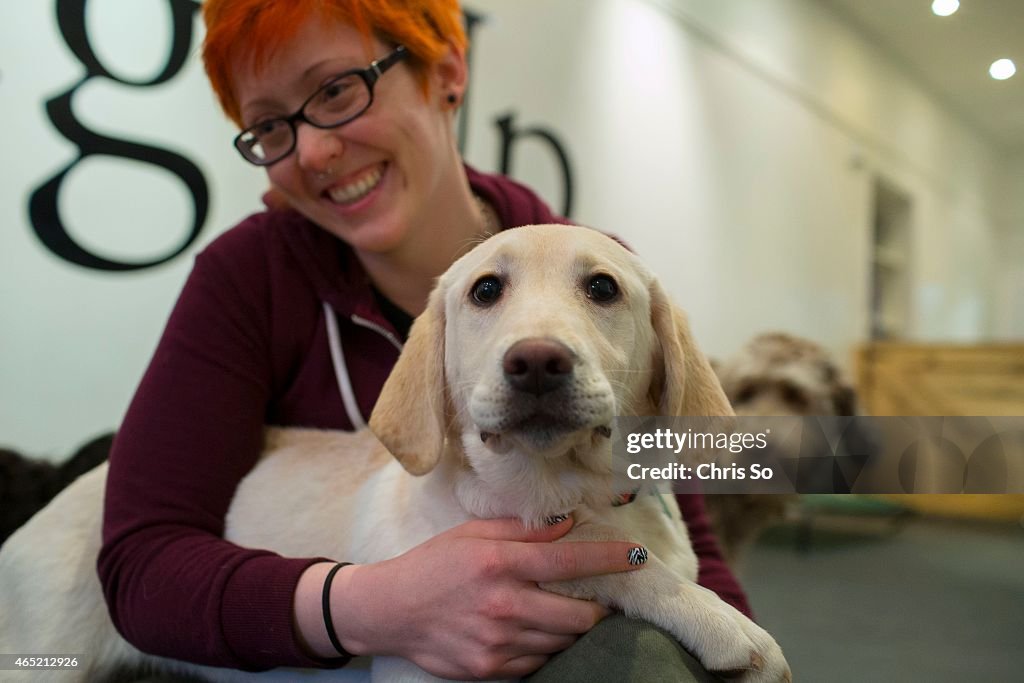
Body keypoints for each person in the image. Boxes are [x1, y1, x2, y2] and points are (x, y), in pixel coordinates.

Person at [98, 0, 752, 680]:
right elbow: (140, 560)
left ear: (446, 73)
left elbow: (684, 534)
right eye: (270, 126)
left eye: (336, 90)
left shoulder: (605, 268)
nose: (316, 150)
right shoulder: (247, 275)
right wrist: (369, 603)